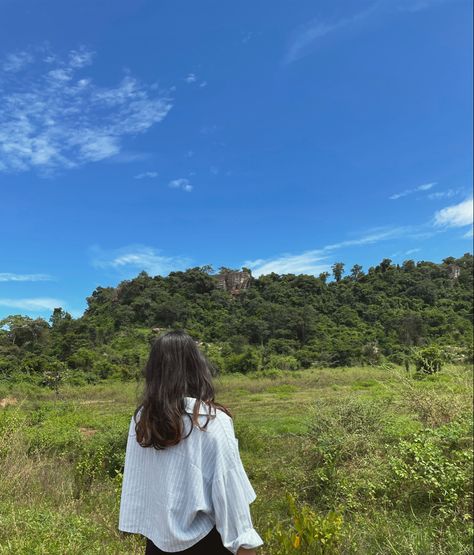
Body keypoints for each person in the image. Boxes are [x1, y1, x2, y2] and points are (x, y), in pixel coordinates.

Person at [119, 330, 263, 555]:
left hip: (156, 546)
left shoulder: (142, 419)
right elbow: (233, 502)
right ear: (197, 368)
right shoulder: (212, 421)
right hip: (206, 544)